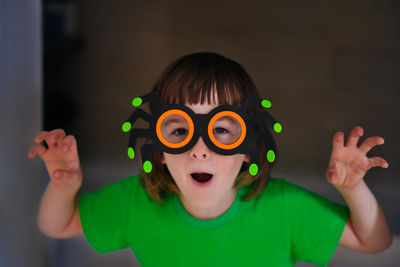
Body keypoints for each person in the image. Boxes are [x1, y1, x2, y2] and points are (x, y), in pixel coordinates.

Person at [29, 52, 393, 267]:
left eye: (222, 130)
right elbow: (56, 227)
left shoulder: (286, 210)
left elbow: (376, 242)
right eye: (179, 131)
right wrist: (66, 186)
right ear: (158, 149)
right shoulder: (134, 203)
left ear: (251, 143)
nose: (199, 149)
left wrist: (353, 189)